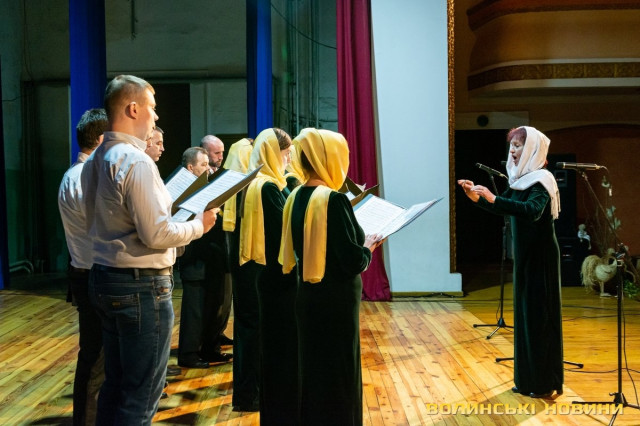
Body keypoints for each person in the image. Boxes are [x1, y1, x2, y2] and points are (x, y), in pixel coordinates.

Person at [81, 74, 217, 425]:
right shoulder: (136, 161)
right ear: (132, 108)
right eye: (152, 108)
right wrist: (199, 226)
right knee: (140, 398)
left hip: (105, 276)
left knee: (115, 388)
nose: (156, 116)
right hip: (140, 285)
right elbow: (156, 233)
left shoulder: (96, 159)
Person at [280, 128, 382, 425]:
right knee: (338, 373)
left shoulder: (295, 195)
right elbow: (352, 260)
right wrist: (368, 247)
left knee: (313, 371)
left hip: (307, 296)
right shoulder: (334, 200)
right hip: (335, 300)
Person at [458, 125, 563, 398]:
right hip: (526, 257)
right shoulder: (519, 180)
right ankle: (527, 380)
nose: (513, 151)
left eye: (518, 146)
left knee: (539, 318)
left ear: (532, 149)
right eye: (512, 146)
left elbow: (531, 211)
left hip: (540, 259)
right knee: (525, 318)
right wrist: (477, 198)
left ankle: (543, 383)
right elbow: (503, 205)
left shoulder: (542, 180)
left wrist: (493, 198)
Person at [239, 128, 297, 422]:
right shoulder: (266, 187)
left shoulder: (260, 180)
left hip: (255, 267)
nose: (288, 160)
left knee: (253, 331)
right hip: (264, 270)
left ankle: (250, 393)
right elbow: (283, 227)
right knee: (257, 333)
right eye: (285, 154)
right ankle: (252, 395)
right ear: (273, 154)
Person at [58, 108, 108, 426]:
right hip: (93, 273)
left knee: (97, 357)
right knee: (95, 359)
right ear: (101, 140)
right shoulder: (85, 177)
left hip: (85, 271)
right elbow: (104, 228)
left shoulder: (75, 175)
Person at [177, 147, 232, 368]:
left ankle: (208, 349)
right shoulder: (184, 190)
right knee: (194, 311)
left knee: (208, 309)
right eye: (203, 164)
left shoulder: (204, 188)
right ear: (190, 168)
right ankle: (188, 354)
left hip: (207, 259)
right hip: (193, 259)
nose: (208, 168)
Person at [200, 135, 234, 347]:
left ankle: (218, 332)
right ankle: (208, 340)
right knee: (212, 297)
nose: (221, 157)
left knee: (224, 295)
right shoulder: (201, 178)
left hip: (222, 241)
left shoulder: (221, 175)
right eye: (217, 153)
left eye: (222, 152)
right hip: (208, 243)